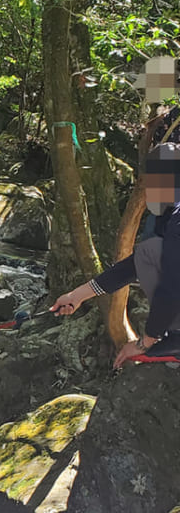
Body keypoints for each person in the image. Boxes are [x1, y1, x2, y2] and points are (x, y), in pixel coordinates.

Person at [51, 142, 180, 369]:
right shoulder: (170, 213)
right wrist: (78, 295)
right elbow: (133, 266)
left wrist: (145, 342)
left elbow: (172, 285)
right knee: (147, 252)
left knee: (150, 251)